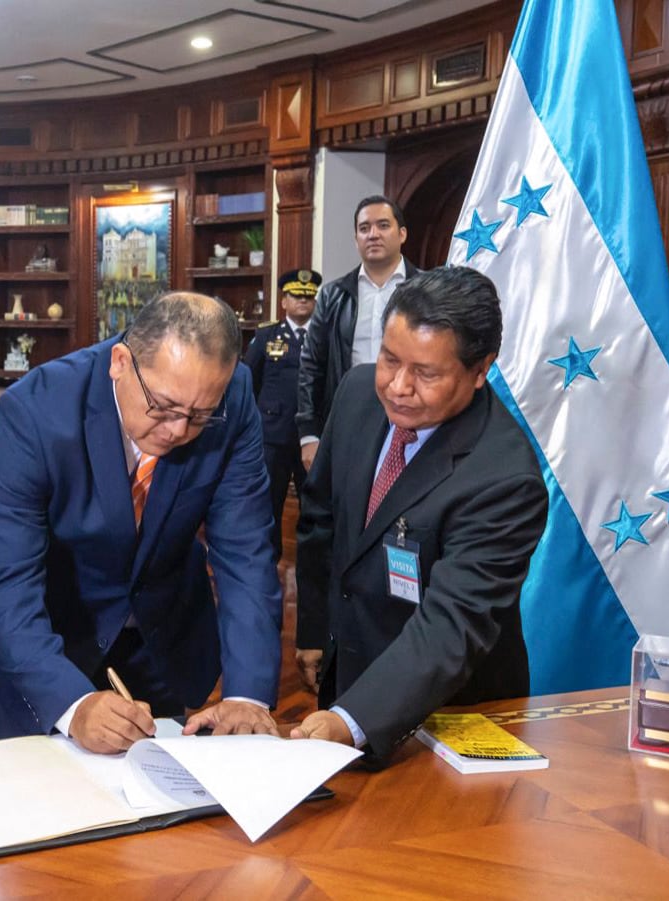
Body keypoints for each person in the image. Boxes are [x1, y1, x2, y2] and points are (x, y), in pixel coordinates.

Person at [0, 292, 282, 754]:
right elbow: (5, 584)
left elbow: (246, 551)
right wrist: (72, 704)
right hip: (53, 647)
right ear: (120, 362)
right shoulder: (35, 412)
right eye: (164, 407)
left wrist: (246, 696)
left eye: (199, 417)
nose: (179, 431)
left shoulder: (231, 395)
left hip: (168, 643)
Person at [290, 267, 547, 768]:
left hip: (447, 721)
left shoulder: (503, 478)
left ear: (480, 370)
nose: (397, 387)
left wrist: (353, 719)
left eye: (425, 373)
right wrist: (313, 633)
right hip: (346, 686)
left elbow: (451, 625)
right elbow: (321, 521)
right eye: (390, 359)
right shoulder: (358, 393)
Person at [296, 195, 420, 471]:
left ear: (402, 234)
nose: (373, 234)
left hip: (411, 413)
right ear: (356, 239)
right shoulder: (333, 295)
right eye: (364, 228)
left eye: (383, 225)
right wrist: (308, 434)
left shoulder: (426, 289)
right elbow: (311, 365)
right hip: (348, 415)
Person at [242, 268, 321, 561]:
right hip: (273, 433)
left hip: (310, 437)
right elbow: (249, 380)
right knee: (269, 500)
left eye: (308, 297)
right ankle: (268, 557)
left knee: (312, 500)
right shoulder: (266, 335)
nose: (302, 302)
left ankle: (312, 558)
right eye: (295, 297)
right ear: (284, 301)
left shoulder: (322, 336)